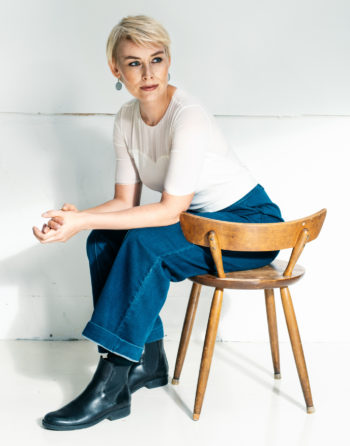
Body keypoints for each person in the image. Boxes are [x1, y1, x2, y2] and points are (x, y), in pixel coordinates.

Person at [32, 15, 283, 430]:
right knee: (102, 241)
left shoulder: (189, 116)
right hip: (201, 223)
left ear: (169, 61)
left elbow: (168, 212)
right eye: (133, 63)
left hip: (248, 225)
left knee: (146, 245)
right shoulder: (126, 120)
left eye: (157, 59)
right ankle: (149, 360)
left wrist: (84, 219)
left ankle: (110, 383)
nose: (148, 73)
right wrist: (76, 219)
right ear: (116, 69)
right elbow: (124, 201)